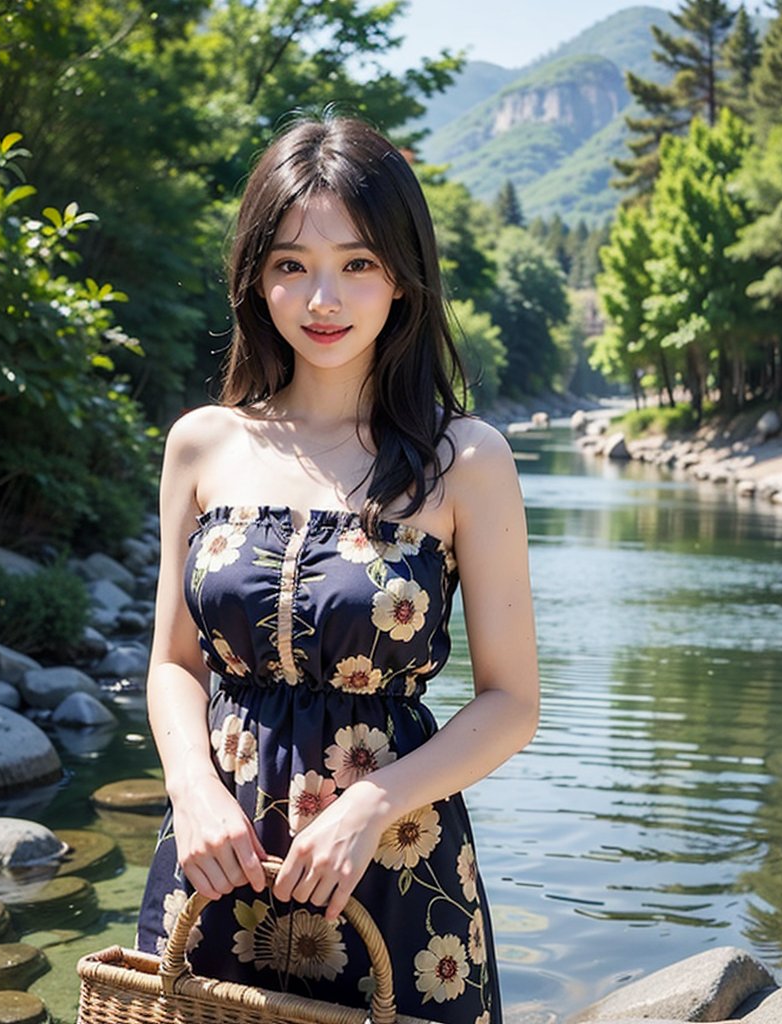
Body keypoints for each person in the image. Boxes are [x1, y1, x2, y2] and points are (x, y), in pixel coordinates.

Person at [136, 115, 540, 1024]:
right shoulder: (202, 444)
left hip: (395, 871)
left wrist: (368, 808)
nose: (324, 296)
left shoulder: (463, 460)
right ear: (256, 278)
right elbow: (172, 664)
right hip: (216, 856)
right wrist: (193, 791)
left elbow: (513, 701)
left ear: (402, 275)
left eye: (357, 263)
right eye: (291, 264)